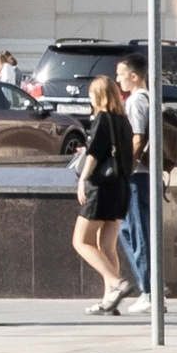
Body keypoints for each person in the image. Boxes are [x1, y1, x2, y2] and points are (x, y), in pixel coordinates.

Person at [72, 73, 137, 313]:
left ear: (98, 95)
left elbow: (94, 154)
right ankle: (110, 300)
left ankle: (117, 283)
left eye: (91, 94)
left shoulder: (102, 118)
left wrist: (83, 180)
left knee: (80, 241)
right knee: (107, 245)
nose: (89, 98)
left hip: (101, 188)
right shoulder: (123, 121)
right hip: (121, 188)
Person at [116, 52, 154, 312]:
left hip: (137, 175)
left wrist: (125, 168)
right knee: (129, 230)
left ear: (133, 75)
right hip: (145, 174)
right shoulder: (150, 98)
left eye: (121, 75)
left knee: (136, 233)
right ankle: (151, 285)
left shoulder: (136, 101)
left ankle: (149, 290)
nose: (118, 79)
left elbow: (138, 138)